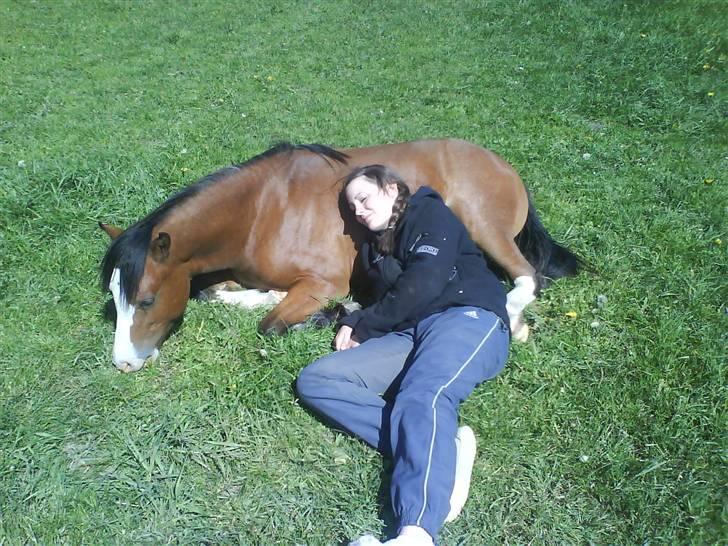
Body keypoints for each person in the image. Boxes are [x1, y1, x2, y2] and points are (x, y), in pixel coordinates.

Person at [296, 165, 510, 546]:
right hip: (410, 333)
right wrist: (358, 318)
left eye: (364, 198)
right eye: (352, 207)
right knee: (316, 380)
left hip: (467, 317)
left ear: (392, 188)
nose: (358, 212)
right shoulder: (374, 250)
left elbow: (424, 281)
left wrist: (364, 326)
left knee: (422, 395)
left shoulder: (428, 213)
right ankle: (438, 448)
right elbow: (385, 301)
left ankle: (415, 533)